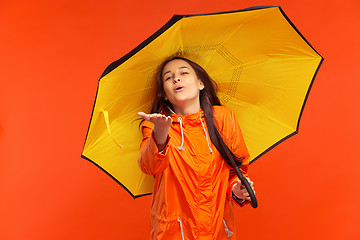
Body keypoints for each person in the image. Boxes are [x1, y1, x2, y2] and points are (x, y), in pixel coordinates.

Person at [138, 57, 255, 240]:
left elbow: (237, 171)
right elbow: (148, 166)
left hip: (218, 229)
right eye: (168, 78)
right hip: (174, 233)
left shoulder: (223, 118)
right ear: (166, 95)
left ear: (200, 83)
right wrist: (160, 134)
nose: (176, 79)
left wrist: (238, 189)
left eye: (184, 73)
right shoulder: (155, 124)